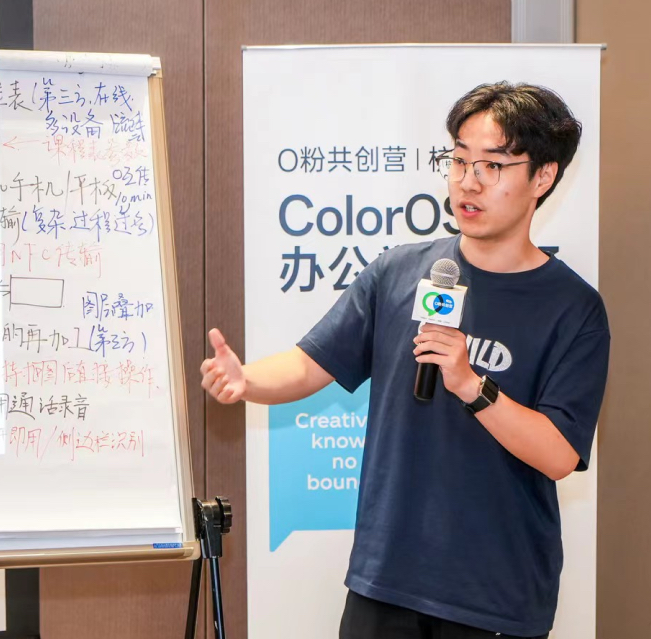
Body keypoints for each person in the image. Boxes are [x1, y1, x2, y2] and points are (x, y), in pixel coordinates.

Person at [200, 82, 610, 639]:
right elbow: (308, 364)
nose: (468, 181)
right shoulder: (397, 272)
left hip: (496, 594)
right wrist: (245, 380)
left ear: (543, 177)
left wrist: (472, 385)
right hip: (386, 581)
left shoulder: (573, 308)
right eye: (459, 160)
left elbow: (560, 454)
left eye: (492, 166)